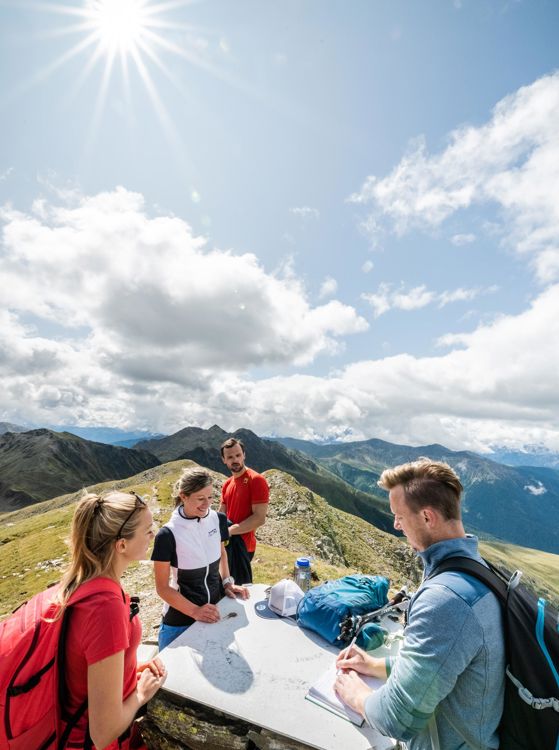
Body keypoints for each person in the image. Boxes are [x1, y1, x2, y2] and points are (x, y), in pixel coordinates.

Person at [334, 458, 505, 750]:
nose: (396, 525)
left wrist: (357, 696)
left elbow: (397, 720)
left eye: (399, 515)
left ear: (427, 517)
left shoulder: (447, 599)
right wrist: (376, 665)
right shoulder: (476, 569)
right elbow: (446, 662)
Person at [59, 490, 167, 750]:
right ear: (122, 545)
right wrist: (140, 693)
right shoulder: (105, 608)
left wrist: (128, 670)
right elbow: (103, 732)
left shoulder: (84, 582)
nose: (153, 535)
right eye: (147, 530)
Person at [152, 467, 249, 650]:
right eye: (200, 498)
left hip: (213, 612)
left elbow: (222, 554)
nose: (207, 504)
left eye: (210, 497)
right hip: (179, 621)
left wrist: (227, 582)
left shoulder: (217, 519)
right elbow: (162, 588)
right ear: (183, 496)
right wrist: (195, 611)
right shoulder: (167, 534)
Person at [218, 437, 269, 584]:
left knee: (239, 588)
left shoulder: (256, 480)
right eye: (230, 457)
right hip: (227, 544)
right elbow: (222, 513)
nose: (235, 460)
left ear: (244, 455)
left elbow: (259, 518)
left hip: (243, 546)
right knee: (225, 586)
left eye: (238, 455)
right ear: (224, 460)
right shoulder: (227, 483)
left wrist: (230, 531)